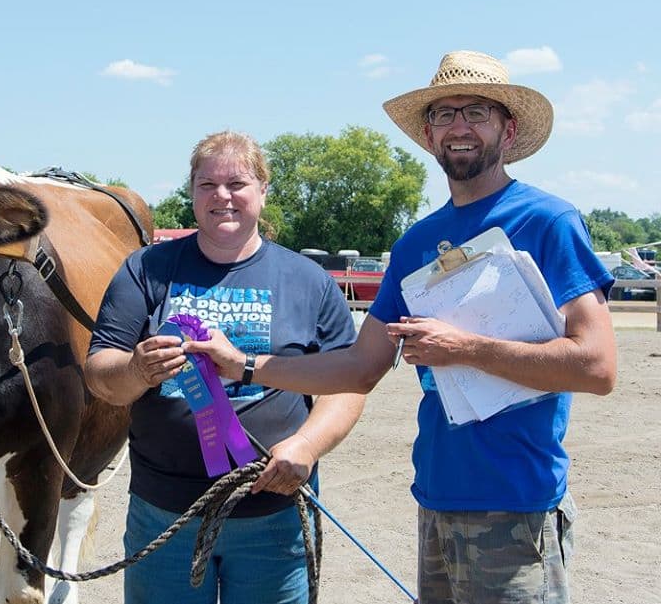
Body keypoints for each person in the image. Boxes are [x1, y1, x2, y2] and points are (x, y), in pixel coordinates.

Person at [186, 51, 617, 604]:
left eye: (477, 112)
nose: (459, 127)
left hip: (519, 503)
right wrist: (246, 364)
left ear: (508, 129)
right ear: (429, 133)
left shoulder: (548, 221)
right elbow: (360, 366)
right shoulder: (416, 242)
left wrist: (466, 348)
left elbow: (598, 365)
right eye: (444, 114)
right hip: (437, 496)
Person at [85, 130, 366, 604]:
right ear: (191, 192)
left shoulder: (308, 280)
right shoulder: (146, 269)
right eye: (207, 185)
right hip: (165, 512)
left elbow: (349, 383)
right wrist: (135, 370)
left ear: (263, 190)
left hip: (273, 515)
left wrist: (306, 444)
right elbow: (99, 374)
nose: (222, 197)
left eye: (236, 183)